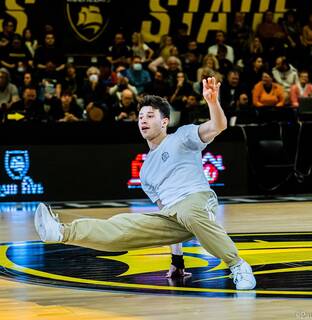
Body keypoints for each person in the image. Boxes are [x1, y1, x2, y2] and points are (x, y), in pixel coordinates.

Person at [33, 77, 256, 290]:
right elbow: (166, 212)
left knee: (189, 213)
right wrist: (177, 258)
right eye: (140, 117)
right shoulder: (146, 172)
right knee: (120, 229)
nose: (143, 121)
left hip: (197, 199)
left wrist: (212, 102)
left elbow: (219, 125)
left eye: (150, 116)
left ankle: (238, 265)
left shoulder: (182, 136)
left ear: (165, 121)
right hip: (172, 216)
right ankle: (61, 232)